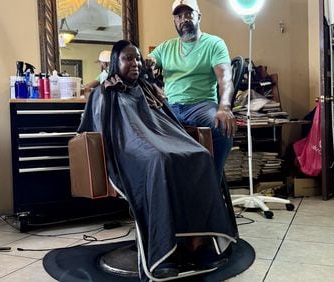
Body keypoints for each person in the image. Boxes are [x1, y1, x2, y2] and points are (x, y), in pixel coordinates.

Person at [78, 39, 236, 280]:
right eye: (128, 58)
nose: (135, 63)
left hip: (159, 141)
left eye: (138, 58)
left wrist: (173, 140)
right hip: (129, 150)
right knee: (159, 160)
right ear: (114, 62)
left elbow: (168, 124)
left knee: (199, 155)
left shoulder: (150, 90)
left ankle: (197, 242)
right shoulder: (105, 92)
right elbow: (105, 131)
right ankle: (164, 253)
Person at [147, 0, 237, 183]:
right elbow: (149, 63)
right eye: (179, 16)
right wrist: (147, 64)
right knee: (142, 130)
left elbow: (225, 78)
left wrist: (225, 107)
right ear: (174, 21)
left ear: (199, 16)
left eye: (189, 14)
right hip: (170, 108)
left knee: (222, 128)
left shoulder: (214, 44)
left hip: (201, 106)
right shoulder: (165, 47)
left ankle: (211, 185)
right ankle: (166, 189)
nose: (184, 19)